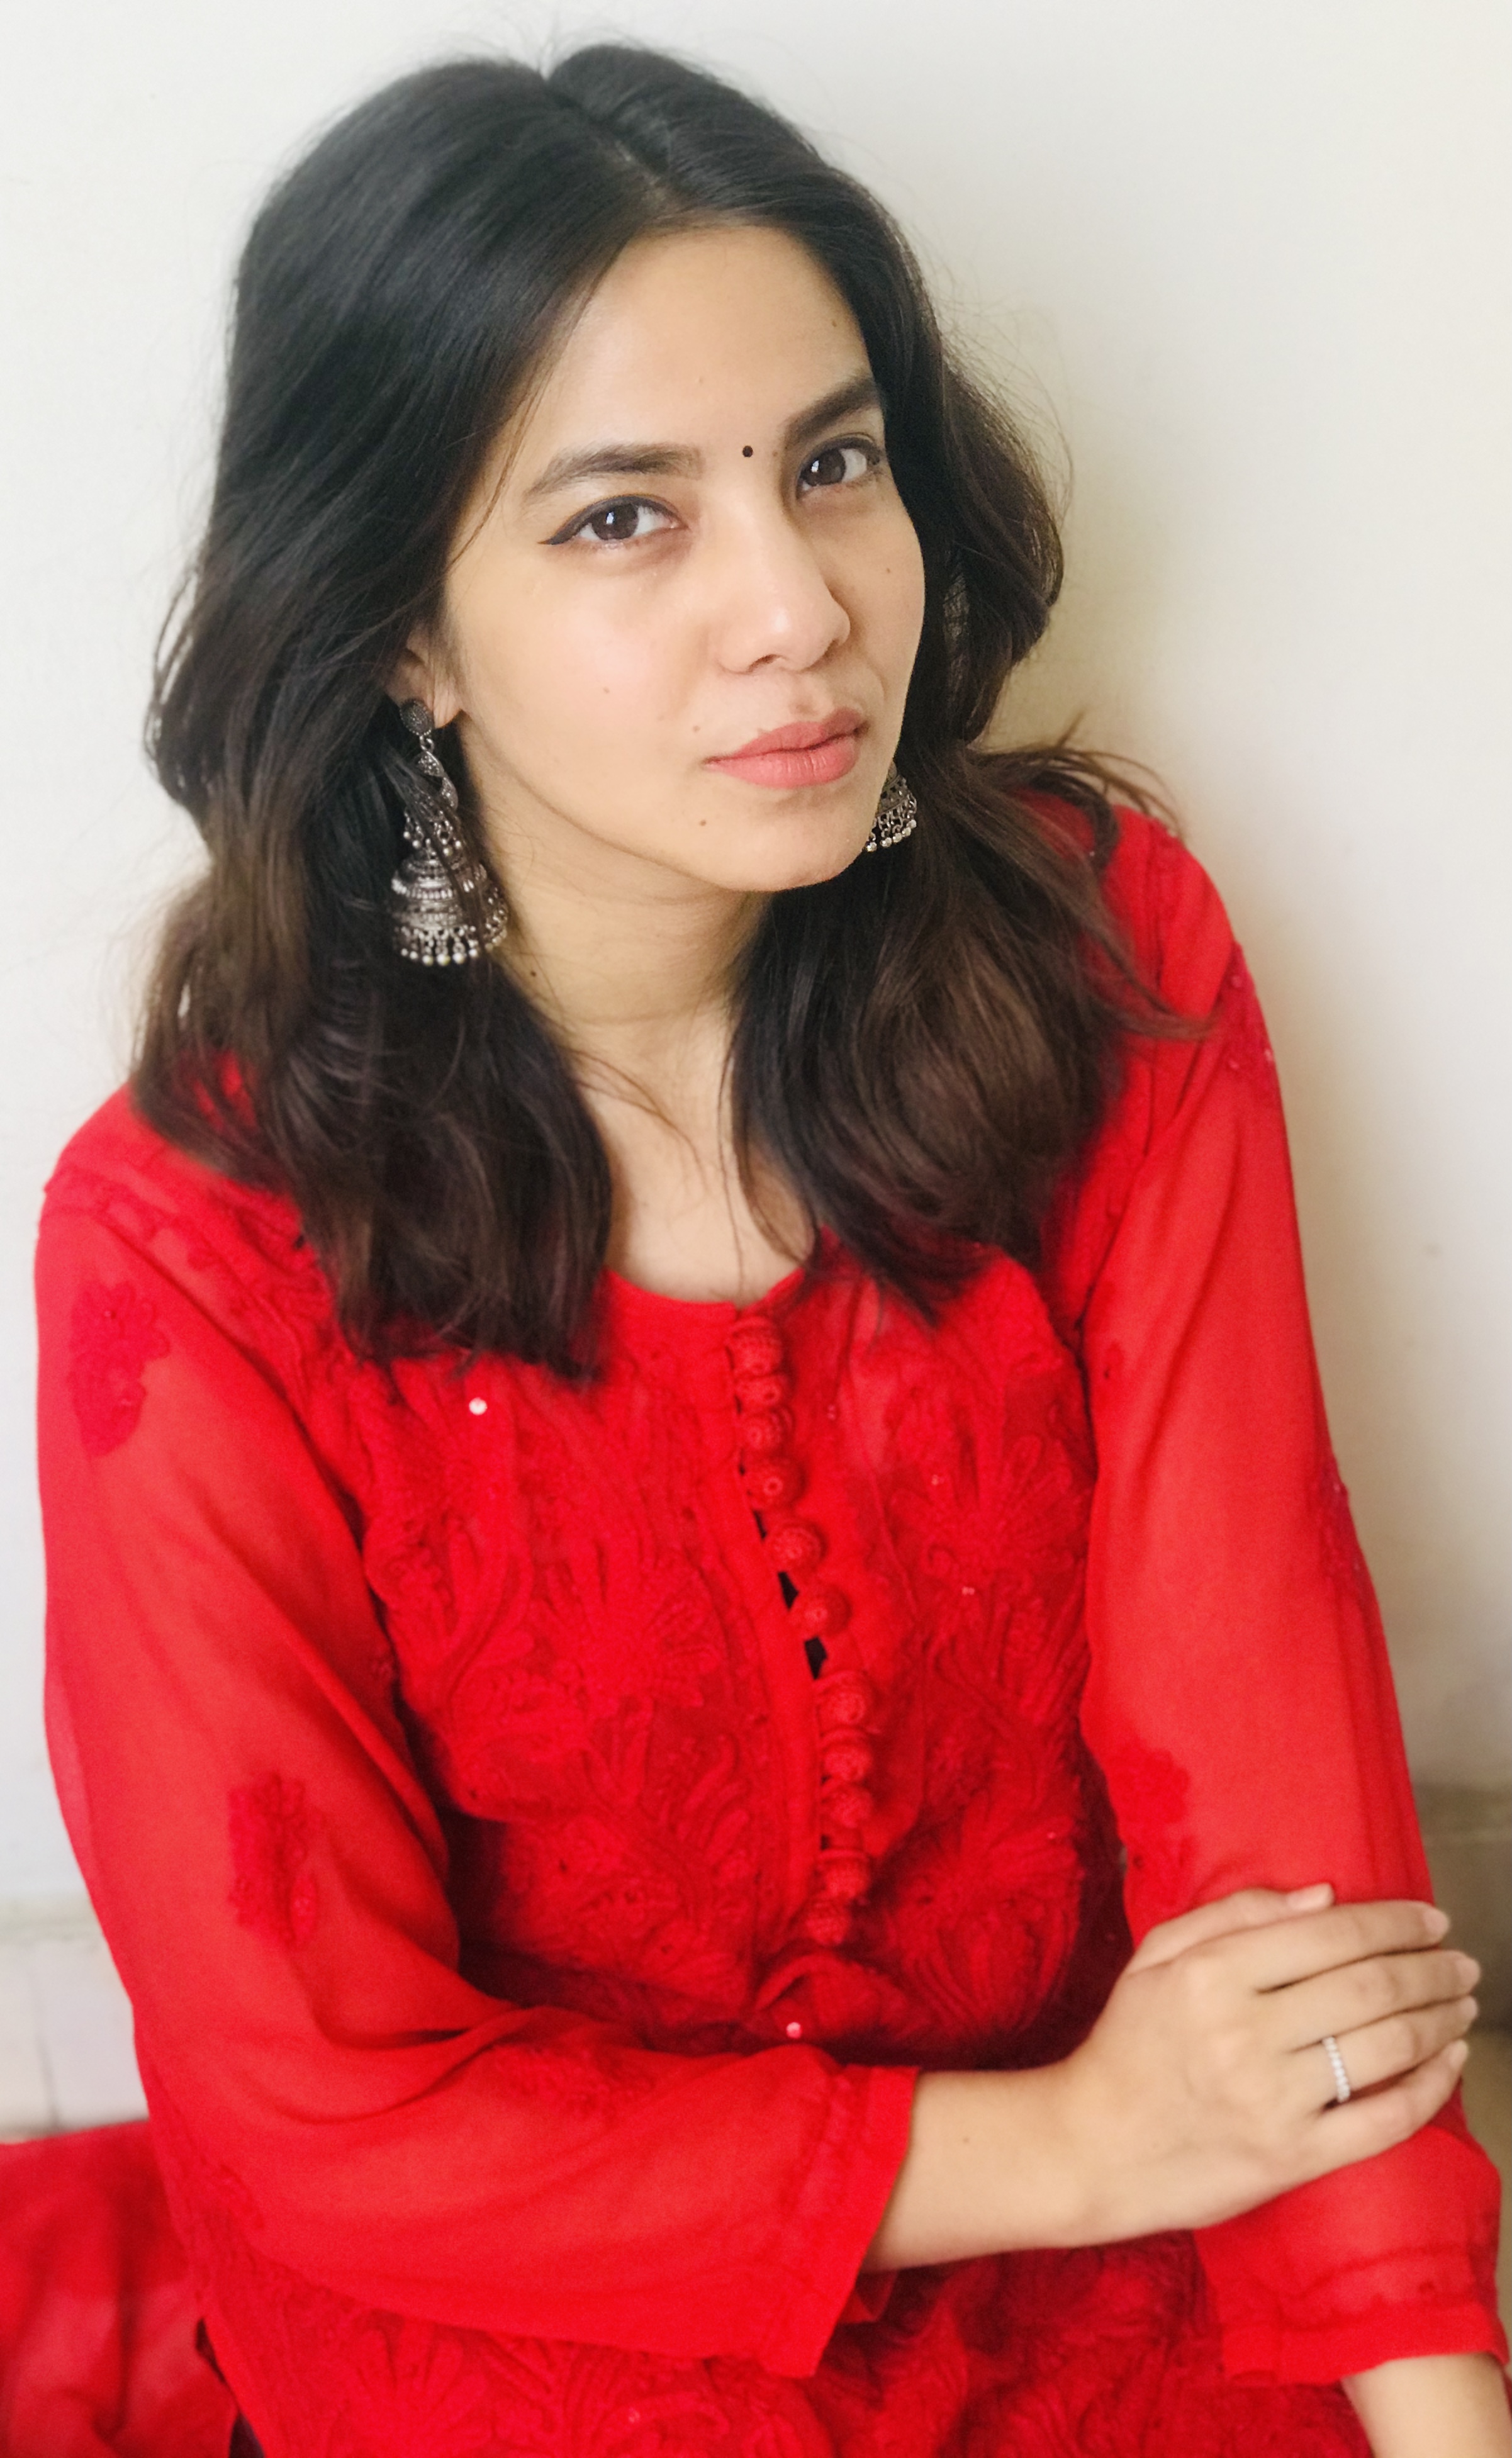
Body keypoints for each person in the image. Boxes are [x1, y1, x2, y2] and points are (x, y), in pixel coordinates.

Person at [28, 43, 1507, 2458]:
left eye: (831, 464)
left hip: (1120, 2250)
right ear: (403, 629)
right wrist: (1078, 2139)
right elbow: (328, 2105)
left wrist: (1437, 2414)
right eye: (624, 518)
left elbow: (1267, 1774)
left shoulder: (1097, 959)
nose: (800, 609)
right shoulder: (188, 1240)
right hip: (529, 2324)